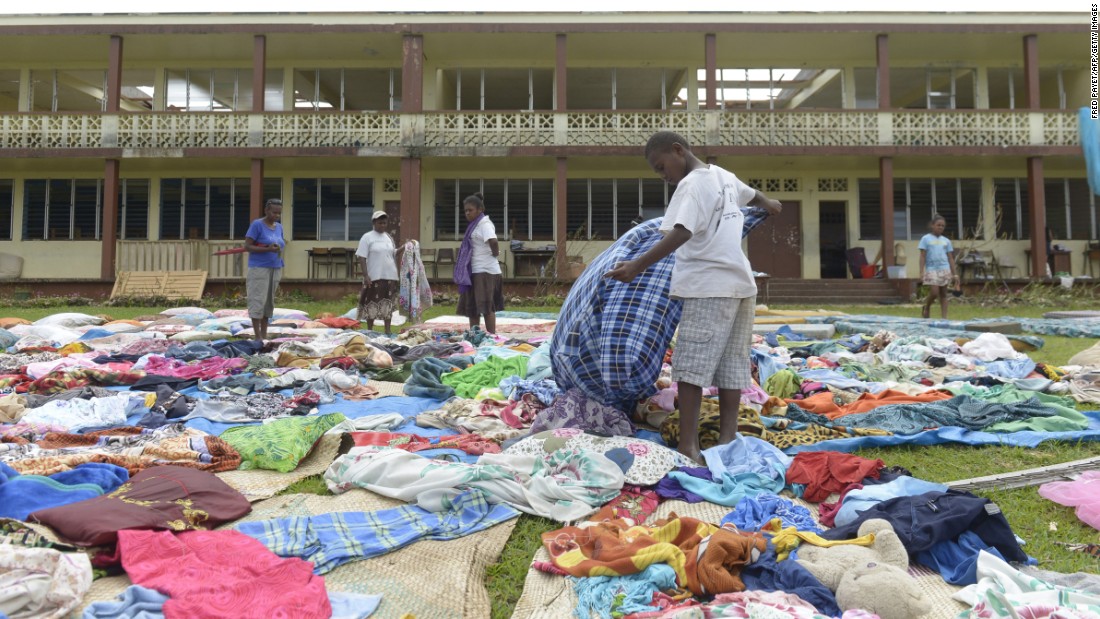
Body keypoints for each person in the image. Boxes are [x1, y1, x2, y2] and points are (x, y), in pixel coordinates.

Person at [605, 131, 782, 463]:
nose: (664, 176)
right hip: (741, 285)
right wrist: (769, 203)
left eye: (662, 167)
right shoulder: (723, 176)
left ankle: (688, 445)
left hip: (708, 285)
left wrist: (636, 266)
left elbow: (682, 230)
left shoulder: (691, 185)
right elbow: (751, 194)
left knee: (689, 369)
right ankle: (728, 439)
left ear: (678, 150)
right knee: (733, 365)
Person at [455, 192, 504, 334]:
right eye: (465, 210)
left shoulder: (484, 223)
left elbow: (493, 241)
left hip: (485, 271)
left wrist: (495, 254)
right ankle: (474, 335)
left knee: (486, 306)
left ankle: (491, 337)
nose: (467, 213)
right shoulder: (474, 225)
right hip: (473, 271)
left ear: (480, 210)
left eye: (470, 210)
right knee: (472, 308)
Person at [244, 198, 286, 342]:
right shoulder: (257, 225)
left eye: (279, 213)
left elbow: (281, 242)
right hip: (259, 268)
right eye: (274, 212)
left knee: (269, 302)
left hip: (275, 267)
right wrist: (267, 249)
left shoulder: (279, 227)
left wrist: (276, 248)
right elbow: (247, 246)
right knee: (258, 300)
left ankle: (264, 334)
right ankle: (257, 337)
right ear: (266, 210)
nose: (276, 215)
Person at [356, 211, 401, 335]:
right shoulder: (367, 237)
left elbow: (393, 253)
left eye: (384, 223)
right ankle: (370, 330)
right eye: (380, 222)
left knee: (388, 303)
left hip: (390, 276)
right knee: (371, 303)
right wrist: (366, 275)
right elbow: (361, 257)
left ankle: (388, 330)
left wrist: (405, 248)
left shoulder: (388, 237)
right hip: (374, 276)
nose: (382, 225)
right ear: (374, 223)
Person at [919, 213, 956, 319]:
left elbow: (950, 258)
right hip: (931, 269)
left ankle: (944, 318)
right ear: (932, 225)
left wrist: (955, 274)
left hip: (944, 269)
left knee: (944, 294)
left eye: (942, 226)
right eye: (938, 225)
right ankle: (927, 307)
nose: (940, 227)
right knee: (934, 292)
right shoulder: (925, 239)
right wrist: (921, 272)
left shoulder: (946, 241)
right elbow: (922, 256)